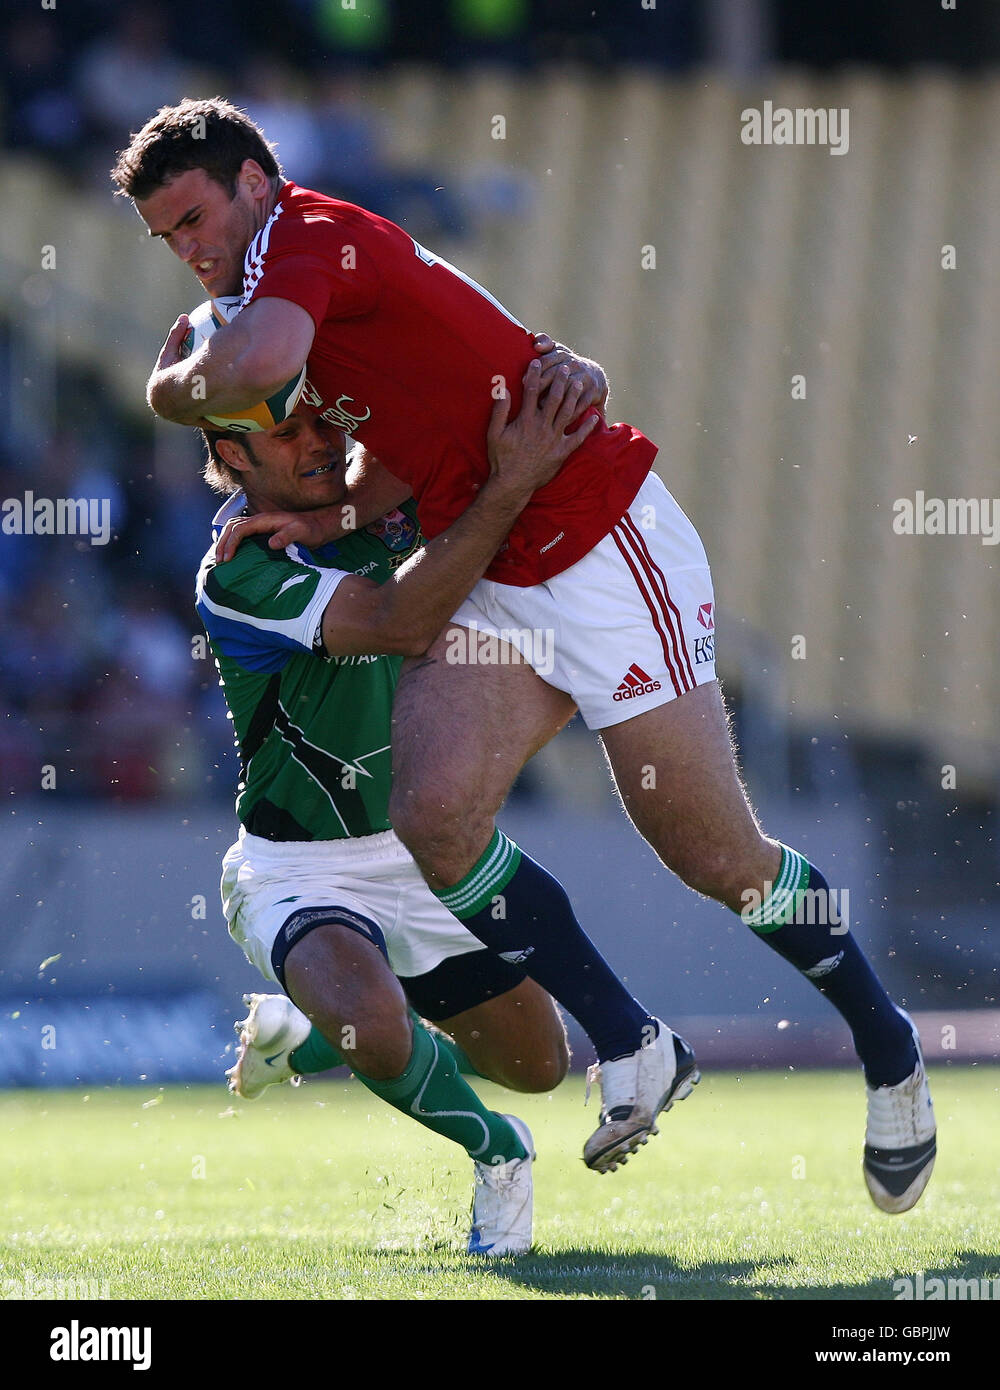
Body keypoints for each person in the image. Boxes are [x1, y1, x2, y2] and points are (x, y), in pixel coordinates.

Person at [117, 98, 935, 1212]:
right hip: (502, 561)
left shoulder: (300, 242)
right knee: (435, 812)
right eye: (168, 238)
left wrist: (164, 384)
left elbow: (252, 360)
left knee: (713, 856)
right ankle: (635, 1044)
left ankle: (890, 1056)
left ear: (258, 181)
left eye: (196, 217)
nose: (190, 250)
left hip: (597, 541)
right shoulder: (289, 289)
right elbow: (403, 447)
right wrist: (323, 517)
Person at [195, 360, 682, 1255]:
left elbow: (489, 383)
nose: (318, 442)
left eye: (322, 421)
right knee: (383, 1034)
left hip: (428, 857)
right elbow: (399, 622)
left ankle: (306, 1034)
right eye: (285, 432)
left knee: (538, 1065)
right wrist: (510, 484)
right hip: (304, 868)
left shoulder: (385, 499)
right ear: (231, 452)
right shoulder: (239, 569)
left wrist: (571, 372)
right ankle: (496, 1152)